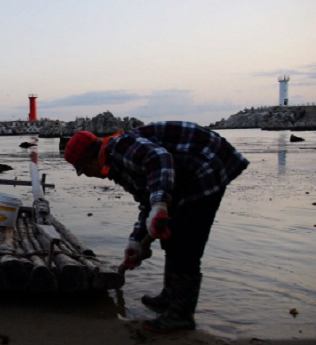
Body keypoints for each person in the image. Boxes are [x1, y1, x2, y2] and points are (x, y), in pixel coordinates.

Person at [64, 124, 249, 332]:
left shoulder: (119, 147)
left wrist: (160, 203)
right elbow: (146, 200)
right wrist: (136, 240)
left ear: (93, 158)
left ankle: (181, 315)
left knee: (185, 241)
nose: (87, 175)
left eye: (84, 169)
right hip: (191, 172)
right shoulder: (118, 166)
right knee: (171, 236)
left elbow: (159, 158)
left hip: (207, 162)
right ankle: (170, 297)